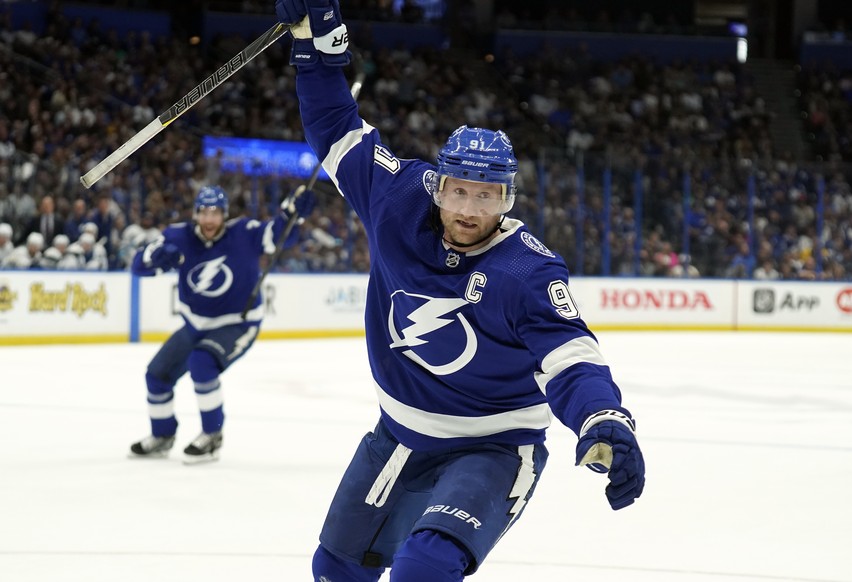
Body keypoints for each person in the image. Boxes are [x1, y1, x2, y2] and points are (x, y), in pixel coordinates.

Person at [275, 1, 646, 580]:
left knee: (425, 565)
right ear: (437, 185)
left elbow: (572, 357)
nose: (470, 210)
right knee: (335, 568)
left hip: (493, 445)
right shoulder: (396, 198)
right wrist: (316, 49)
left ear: (508, 200)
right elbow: (334, 128)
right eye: (459, 193)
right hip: (396, 434)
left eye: (487, 196)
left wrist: (604, 419)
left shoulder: (528, 273)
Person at [128, 184, 312, 463]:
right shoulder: (178, 236)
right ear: (196, 214)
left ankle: (212, 436)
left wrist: (292, 214)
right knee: (157, 375)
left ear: (225, 214)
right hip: (194, 324)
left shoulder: (245, 232)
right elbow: (138, 267)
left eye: (215, 213)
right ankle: (163, 436)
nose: (209, 219)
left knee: (202, 364)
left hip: (237, 324)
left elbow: (280, 237)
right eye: (204, 212)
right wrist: (152, 257)